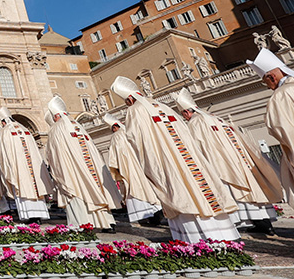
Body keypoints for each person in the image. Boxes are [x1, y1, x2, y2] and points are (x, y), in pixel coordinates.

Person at [112, 76, 239, 242]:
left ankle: (195, 240)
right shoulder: (163, 106)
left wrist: (148, 165)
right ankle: (222, 235)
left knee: (180, 191)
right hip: (189, 157)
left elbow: (136, 139)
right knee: (201, 188)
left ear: (130, 98)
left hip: (167, 160)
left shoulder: (135, 110)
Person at [175, 88, 280, 234]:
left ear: (186, 112)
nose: (185, 118)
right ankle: (264, 222)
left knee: (231, 190)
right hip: (239, 160)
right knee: (251, 189)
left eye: (183, 115)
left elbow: (196, 146)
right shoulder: (216, 117)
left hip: (219, 162)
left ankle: (240, 223)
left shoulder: (195, 122)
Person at [45, 96, 117, 232]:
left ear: (55, 116)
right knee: (94, 189)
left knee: (77, 191)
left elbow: (54, 155)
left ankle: (82, 224)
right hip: (90, 168)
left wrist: (57, 173)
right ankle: (107, 222)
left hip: (72, 170)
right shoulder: (78, 126)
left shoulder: (56, 129)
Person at [248, 48, 294, 209]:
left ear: (272, 77)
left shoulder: (281, 95)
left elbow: (284, 131)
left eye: (264, 81)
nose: (267, 87)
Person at [0, 107, 53, 222]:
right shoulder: (25, 129)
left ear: (3, 122)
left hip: (19, 167)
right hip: (33, 168)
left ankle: (29, 216)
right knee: (35, 186)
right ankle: (40, 215)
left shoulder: (4, 132)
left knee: (23, 186)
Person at [103, 113, 163, 225]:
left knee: (133, 189)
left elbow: (114, 157)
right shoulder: (127, 132)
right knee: (145, 188)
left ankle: (146, 217)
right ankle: (155, 212)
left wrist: (116, 170)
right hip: (139, 166)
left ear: (115, 127)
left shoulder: (116, 136)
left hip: (127, 168)